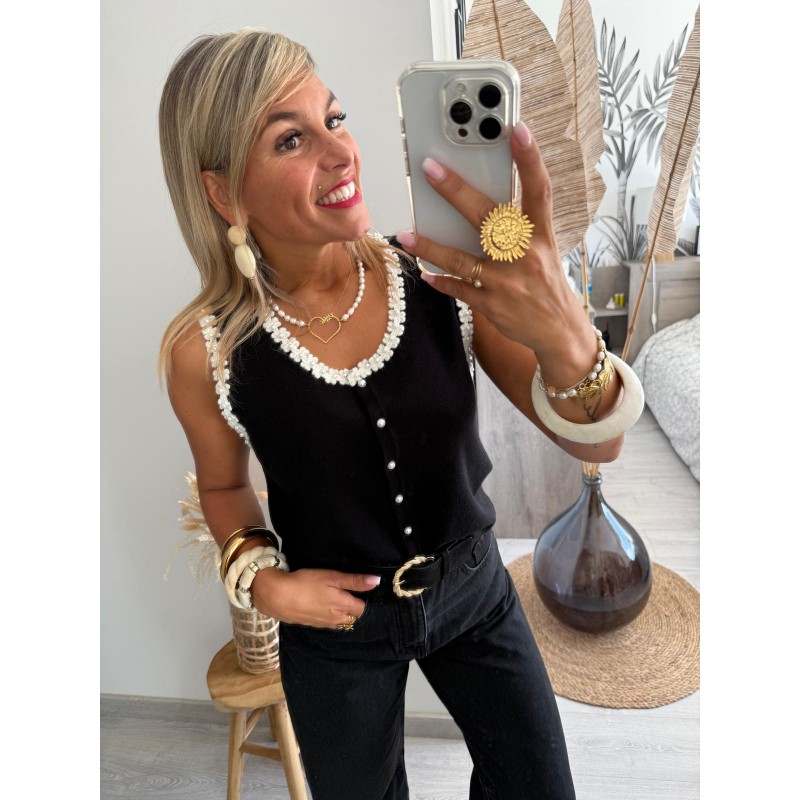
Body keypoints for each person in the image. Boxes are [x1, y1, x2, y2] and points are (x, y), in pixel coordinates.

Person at [159, 28, 638, 800]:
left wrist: (568, 335)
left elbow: (600, 445)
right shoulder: (206, 350)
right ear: (223, 194)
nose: (342, 153)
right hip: (336, 635)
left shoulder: (440, 275)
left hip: (475, 595)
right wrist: (266, 585)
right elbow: (221, 487)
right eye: (291, 139)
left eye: (335, 119)